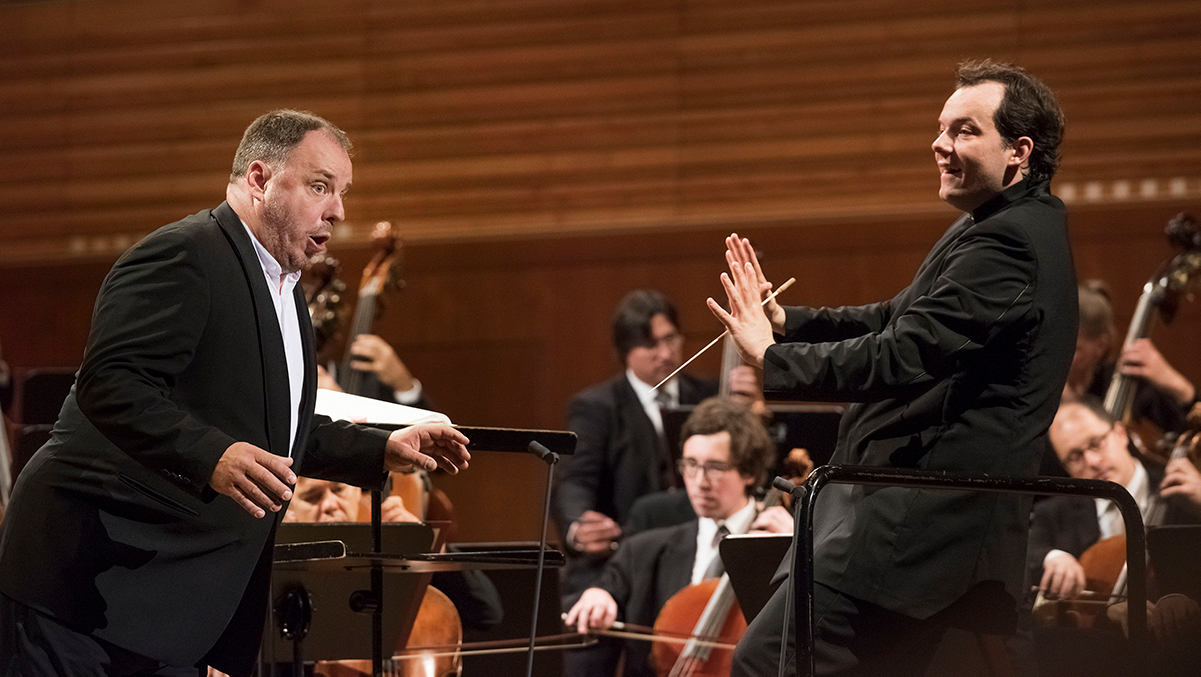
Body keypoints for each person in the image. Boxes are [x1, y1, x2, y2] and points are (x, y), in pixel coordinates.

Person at [0, 110, 471, 677]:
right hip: (85, 587)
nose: (338, 210)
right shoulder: (183, 255)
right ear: (258, 179)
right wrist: (212, 456)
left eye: (342, 192)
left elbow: (279, 430)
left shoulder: (286, 291)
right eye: (320, 186)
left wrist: (381, 448)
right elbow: (111, 383)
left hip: (166, 608)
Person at [712, 60, 1077, 676]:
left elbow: (902, 353)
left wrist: (773, 361)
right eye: (941, 128)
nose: (939, 144)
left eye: (963, 130)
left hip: (918, 541)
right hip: (907, 534)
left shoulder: (1008, 243)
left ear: (1020, 150)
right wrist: (787, 322)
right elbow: (894, 316)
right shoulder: (994, 225)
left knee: (762, 664)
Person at [564, 397, 794, 676]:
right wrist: (599, 595)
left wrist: (795, 553)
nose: (699, 482)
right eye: (691, 465)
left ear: (749, 472)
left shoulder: (783, 543)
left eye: (715, 467)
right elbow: (611, 583)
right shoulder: (644, 549)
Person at [1024, 397, 1201, 675]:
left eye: (1096, 443)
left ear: (1120, 434)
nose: (1092, 462)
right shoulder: (1053, 513)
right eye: (1075, 456)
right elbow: (1025, 547)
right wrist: (1052, 556)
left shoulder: (1187, 495)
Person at [1064, 281, 1196, 433]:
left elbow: (1190, 432)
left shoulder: (1135, 387)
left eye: (1075, 349)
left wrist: (1177, 384)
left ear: (1100, 346)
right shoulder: (1046, 390)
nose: (1061, 358)